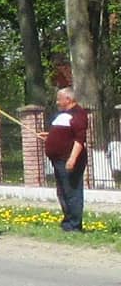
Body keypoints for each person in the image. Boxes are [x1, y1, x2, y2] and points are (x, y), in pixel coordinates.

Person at [39, 86, 88, 232]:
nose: (57, 101)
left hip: (69, 161)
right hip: (58, 160)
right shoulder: (62, 114)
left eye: (59, 98)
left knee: (72, 191)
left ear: (68, 99)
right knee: (62, 192)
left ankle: (74, 225)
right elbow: (64, 135)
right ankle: (67, 221)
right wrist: (49, 137)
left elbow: (79, 140)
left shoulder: (78, 114)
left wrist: (72, 159)